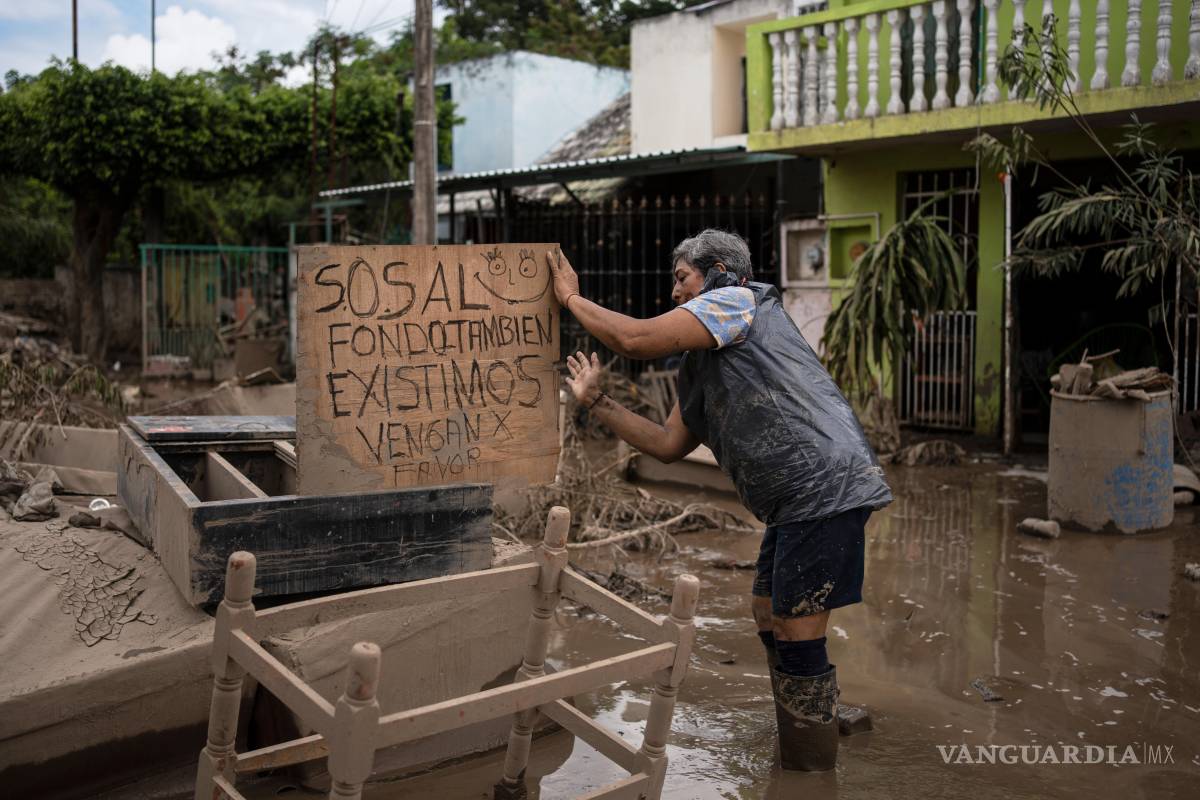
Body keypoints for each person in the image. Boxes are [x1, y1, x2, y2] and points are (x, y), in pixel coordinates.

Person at [544, 229, 892, 772]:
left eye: (682, 278)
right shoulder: (703, 361)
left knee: (797, 626)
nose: (675, 293)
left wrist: (570, 298)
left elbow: (633, 339)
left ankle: (809, 766)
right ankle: (805, 719)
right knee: (767, 611)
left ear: (720, 273)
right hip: (794, 501)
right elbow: (667, 445)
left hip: (822, 485)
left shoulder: (736, 302)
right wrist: (596, 400)